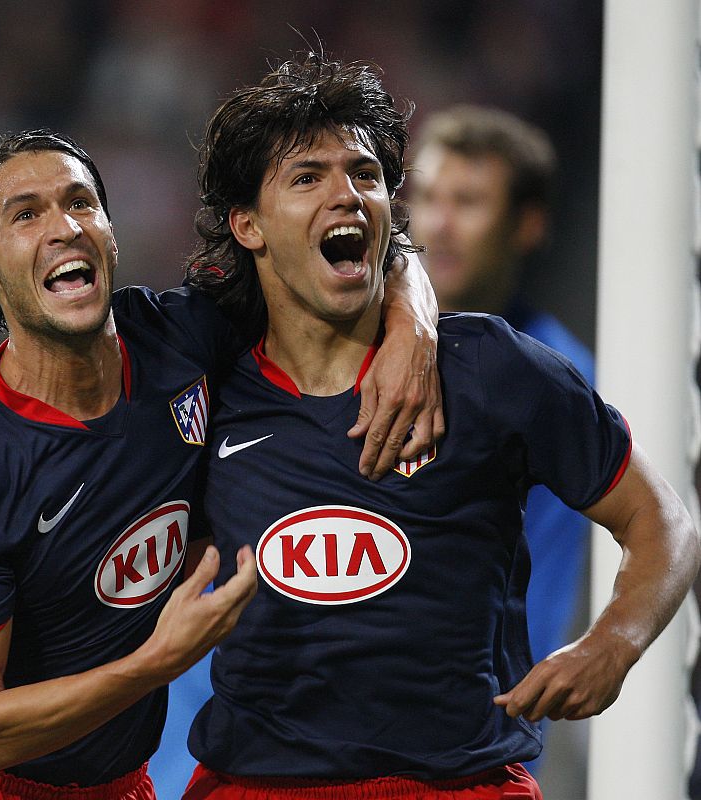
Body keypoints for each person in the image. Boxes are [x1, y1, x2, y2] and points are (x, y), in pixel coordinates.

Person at [174, 53, 697, 798]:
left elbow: (662, 519)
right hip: (252, 782)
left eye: (364, 175)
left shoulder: (491, 367)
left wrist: (615, 641)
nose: (346, 195)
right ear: (247, 225)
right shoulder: (199, 388)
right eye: (308, 178)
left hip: (459, 782)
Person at [0, 128, 443, 800]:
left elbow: (353, 251)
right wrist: (154, 662)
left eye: (80, 203)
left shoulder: (179, 337)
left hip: (119, 787)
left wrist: (414, 324)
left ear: (111, 235)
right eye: (26, 215)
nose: (65, 228)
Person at [407, 106, 594, 679]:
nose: (439, 224)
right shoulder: (335, 335)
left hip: (462, 709)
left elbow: (538, 581)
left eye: (467, 202)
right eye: (426, 197)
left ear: (527, 225)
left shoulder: (558, 383)